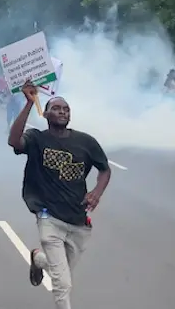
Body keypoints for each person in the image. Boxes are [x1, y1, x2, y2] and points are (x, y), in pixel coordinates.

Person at [7, 82, 111, 309]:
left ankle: (37, 259)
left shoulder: (86, 142)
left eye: (66, 109)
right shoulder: (37, 139)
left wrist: (96, 192)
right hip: (49, 217)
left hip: (78, 220)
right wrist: (27, 103)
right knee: (63, 283)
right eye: (56, 108)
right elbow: (14, 141)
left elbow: (105, 169)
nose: (62, 111)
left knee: (60, 272)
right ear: (45, 114)